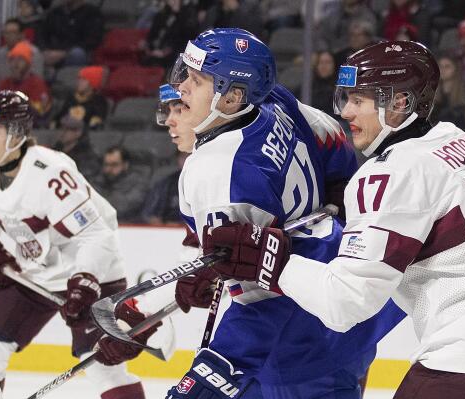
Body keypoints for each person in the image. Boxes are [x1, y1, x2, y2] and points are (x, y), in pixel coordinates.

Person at [203, 40, 465, 398]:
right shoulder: (460, 141)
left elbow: (345, 304)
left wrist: (268, 262)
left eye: (358, 100)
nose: (345, 112)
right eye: (344, 98)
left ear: (400, 102)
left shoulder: (389, 173)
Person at [160, 28, 406, 398]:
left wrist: (213, 376)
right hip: (344, 292)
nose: (182, 90)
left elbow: (261, 304)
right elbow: (332, 137)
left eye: (196, 81)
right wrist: (340, 189)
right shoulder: (273, 101)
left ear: (232, 97)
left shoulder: (217, 173)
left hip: (303, 346)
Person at [0, 90, 157, 398]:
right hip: (32, 272)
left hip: (91, 270)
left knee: (102, 366)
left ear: (17, 133)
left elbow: (95, 236)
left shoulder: (49, 172)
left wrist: (85, 283)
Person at [91, 146, 151, 224]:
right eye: (106, 165)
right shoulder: (97, 182)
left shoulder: (139, 183)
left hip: (130, 228)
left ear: (125, 165)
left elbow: (123, 208)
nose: (109, 169)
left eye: (114, 164)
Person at [0, 41, 51, 126]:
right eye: (12, 59)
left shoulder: (37, 84)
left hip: (29, 129)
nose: (15, 63)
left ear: (28, 64)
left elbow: (39, 113)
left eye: (20, 59)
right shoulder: (5, 83)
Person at [53, 66, 109, 130]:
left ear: (92, 82)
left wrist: (80, 125)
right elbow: (59, 118)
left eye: (83, 79)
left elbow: (96, 123)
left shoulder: (99, 101)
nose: (79, 82)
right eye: (79, 79)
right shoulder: (71, 98)